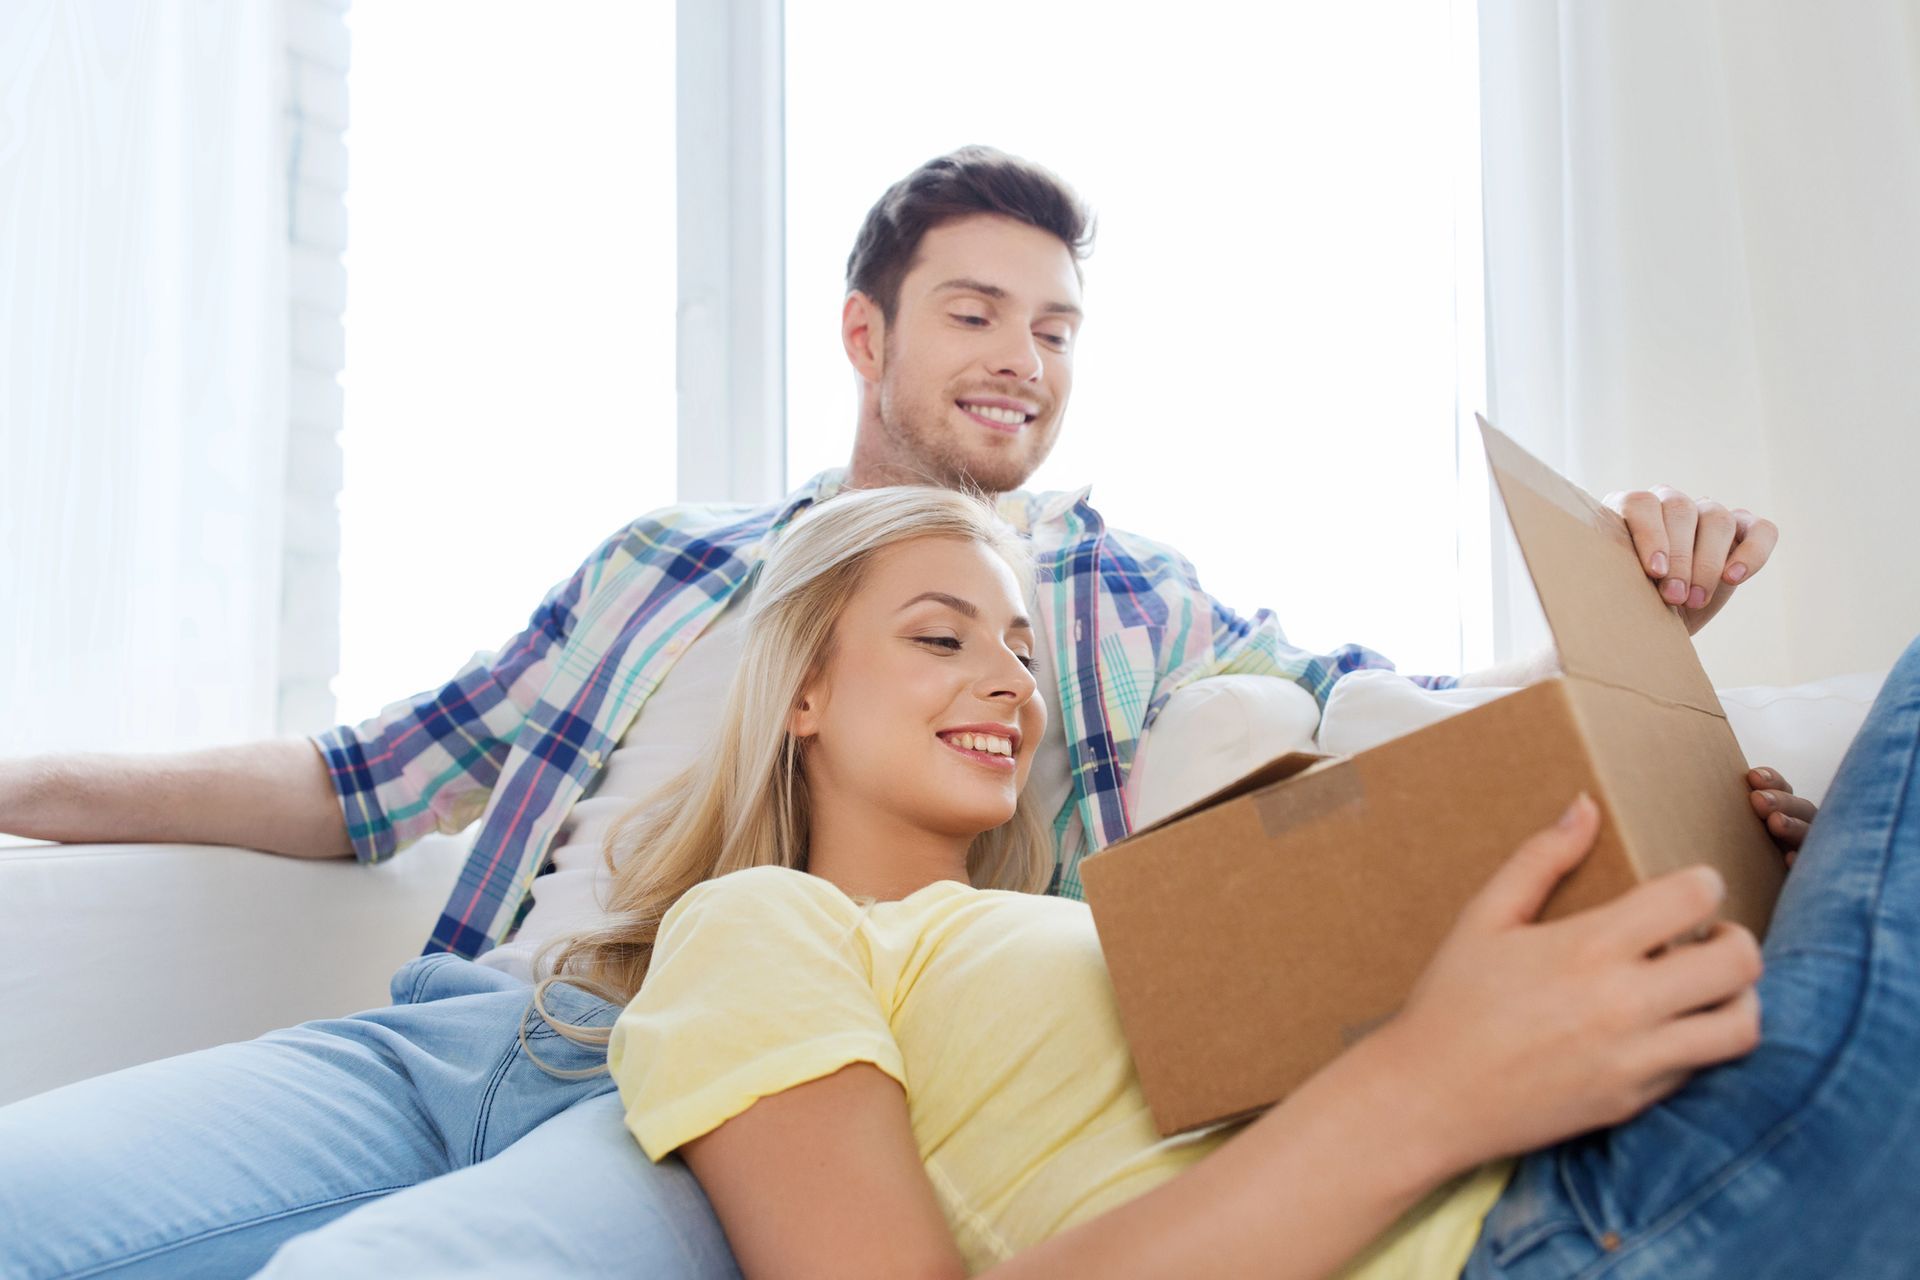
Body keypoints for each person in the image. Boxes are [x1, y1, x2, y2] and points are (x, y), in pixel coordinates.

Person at [0, 147, 1784, 1277]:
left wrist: (1637, 641)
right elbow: (360, 780)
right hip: (474, 1031)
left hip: (746, 1105)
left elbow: (1399, 723)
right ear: (866, 337)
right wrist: (31, 784)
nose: (1026, 357)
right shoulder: (667, 562)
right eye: (981, 313)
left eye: (1062, 329)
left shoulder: (1126, 596)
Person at [539, 482, 1912, 1279]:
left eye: (1020, 646)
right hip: (1557, 1238)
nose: (1007, 678)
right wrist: (1427, 1090)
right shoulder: (753, 927)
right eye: (940, 636)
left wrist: (1733, 878)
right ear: (807, 695)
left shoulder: (1121, 921)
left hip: (1633, 1157)